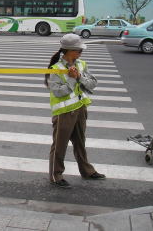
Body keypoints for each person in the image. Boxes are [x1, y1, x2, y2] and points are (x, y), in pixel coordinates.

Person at [45, 33, 105, 189]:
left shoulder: (81, 64)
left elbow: (92, 84)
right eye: (78, 50)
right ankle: (56, 175)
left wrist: (79, 77)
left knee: (80, 143)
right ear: (69, 50)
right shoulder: (56, 69)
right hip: (64, 113)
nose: (80, 52)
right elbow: (58, 92)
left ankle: (87, 171)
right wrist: (72, 79)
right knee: (60, 145)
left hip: (80, 109)